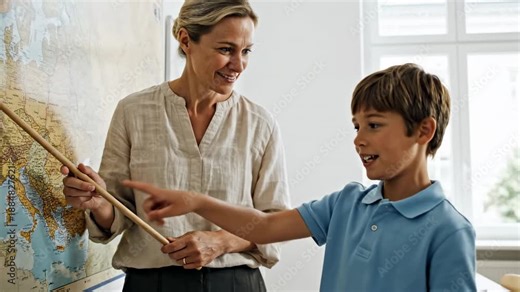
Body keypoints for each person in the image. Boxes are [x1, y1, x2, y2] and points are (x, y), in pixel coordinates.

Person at [124, 63, 477, 291]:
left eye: (374, 125)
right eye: (356, 126)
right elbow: (262, 228)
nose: (359, 138)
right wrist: (194, 201)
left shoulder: (449, 230)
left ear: (423, 130)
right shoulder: (347, 203)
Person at [61, 0, 290, 291]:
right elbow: (116, 215)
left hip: (236, 283)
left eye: (246, 51)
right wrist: (98, 202)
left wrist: (219, 242)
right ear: (186, 40)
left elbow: (276, 223)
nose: (239, 64)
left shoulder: (260, 123)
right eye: (225, 49)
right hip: (151, 284)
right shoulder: (133, 112)